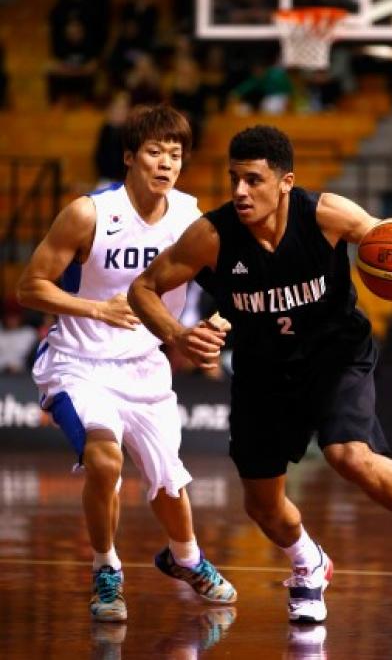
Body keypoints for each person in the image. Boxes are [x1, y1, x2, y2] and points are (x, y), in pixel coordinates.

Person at [128, 124, 392, 624]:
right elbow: (143, 288)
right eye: (234, 179)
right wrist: (176, 333)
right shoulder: (212, 236)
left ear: (285, 182)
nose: (239, 191)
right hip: (262, 370)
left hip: (334, 352)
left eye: (253, 180)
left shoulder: (324, 213)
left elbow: (389, 238)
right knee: (262, 505)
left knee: (348, 454)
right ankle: (308, 563)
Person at [16, 104, 236, 623]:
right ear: (130, 157)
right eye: (155, 152)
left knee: (167, 482)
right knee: (105, 461)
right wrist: (97, 308)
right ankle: (106, 568)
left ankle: (186, 559)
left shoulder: (191, 218)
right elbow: (30, 287)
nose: (166, 164)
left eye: (176, 155)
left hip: (144, 366)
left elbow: (236, 283)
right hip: (78, 361)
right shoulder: (88, 213)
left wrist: (219, 325)